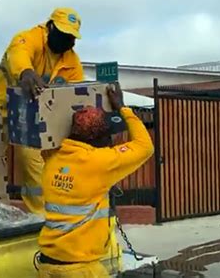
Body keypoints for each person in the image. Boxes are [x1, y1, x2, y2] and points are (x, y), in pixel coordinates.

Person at [36, 84, 155, 278]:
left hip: (48, 264)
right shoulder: (99, 162)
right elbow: (145, 146)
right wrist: (122, 108)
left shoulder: (52, 158)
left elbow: (49, 133)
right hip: (79, 270)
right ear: (101, 139)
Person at [0, 7, 85, 214]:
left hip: (34, 117)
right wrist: (26, 72)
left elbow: (76, 93)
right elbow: (19, 54)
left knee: (32, 161)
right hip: (1, 109)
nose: (68, 41)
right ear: (49, 27)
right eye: (63, 34)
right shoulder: (27, 38)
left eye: (72, 37)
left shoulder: (72, 62)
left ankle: (40, 214)